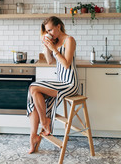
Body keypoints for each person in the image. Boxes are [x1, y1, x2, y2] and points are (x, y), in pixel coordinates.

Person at [27, 16, 79, 154]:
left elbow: (66, 64)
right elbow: (50, 61)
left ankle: (45, 123)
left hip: (69, 83)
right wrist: (46, 47)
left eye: (50, 30)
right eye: (47, 31)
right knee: (33, 91)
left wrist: (53, 48)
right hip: (60, 82)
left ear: (58, 27)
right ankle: (33, 135)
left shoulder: (69, 40)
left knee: (33, 87)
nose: (49, 33)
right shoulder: (54, 42)